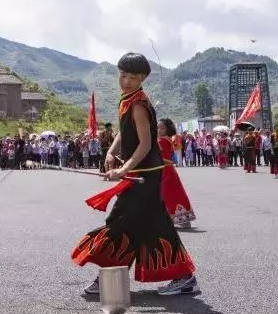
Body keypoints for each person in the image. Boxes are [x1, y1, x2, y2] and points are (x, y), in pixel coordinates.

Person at [72, 53, 198, 296]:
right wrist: (111, 152)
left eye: (133, 77)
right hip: (142, 175)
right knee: (156, 227)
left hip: (144, 177)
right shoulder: (127, 99)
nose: (126, 81)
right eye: (122, 75)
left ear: (143, 79)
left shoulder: (139, 105)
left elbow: (145, 143)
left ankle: (108, 277)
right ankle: (183, 277)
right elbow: (123, 131)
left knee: (120, 222)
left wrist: (123, 168)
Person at [157, 118, 196, 229]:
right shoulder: (166, 139)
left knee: (167, 194)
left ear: (167, 129)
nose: (159, 130)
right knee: (174, 194)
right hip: (167, 169)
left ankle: (175, 218)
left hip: (165, 170)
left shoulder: (162, 141)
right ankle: (182, 218)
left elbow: (159, 156)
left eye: (162, 128)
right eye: (158, 127)